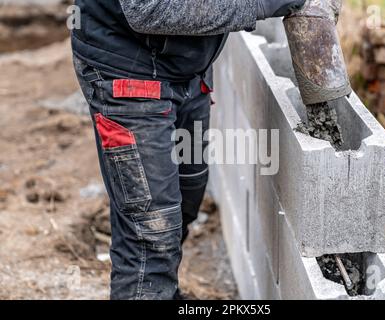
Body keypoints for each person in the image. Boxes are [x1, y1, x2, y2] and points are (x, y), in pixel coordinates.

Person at [72, 0, 305, 300]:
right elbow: (149, 10)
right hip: (127, 70)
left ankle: (161, 288)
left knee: (184, 199)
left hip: (187, 67)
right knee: (151, 233)